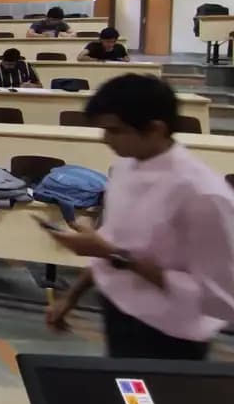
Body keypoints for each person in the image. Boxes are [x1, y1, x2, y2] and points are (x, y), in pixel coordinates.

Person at [44, 75, 234, 360]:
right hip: (118, 313)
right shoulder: (125, 168)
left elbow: (218, 299)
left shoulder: (202, 194)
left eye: (115, 130)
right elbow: (110, 241)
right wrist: (71, 297)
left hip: (169, 336)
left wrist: (115, 255)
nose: (105, 139)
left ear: (155, 129)